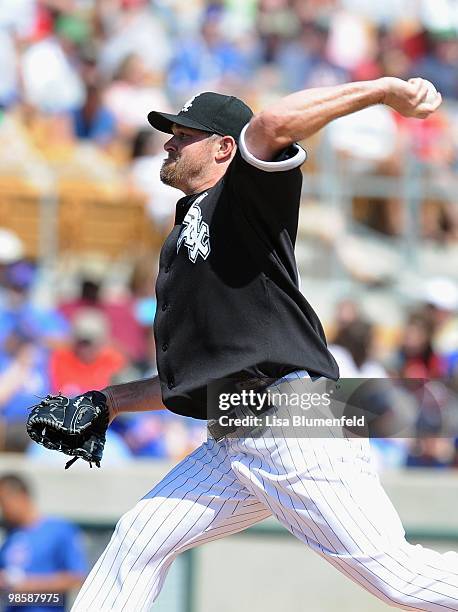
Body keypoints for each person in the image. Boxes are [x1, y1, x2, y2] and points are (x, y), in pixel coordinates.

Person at [45, 79, 458, 611]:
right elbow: (193, 380)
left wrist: (384, 91)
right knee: (137, 540)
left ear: (223, 147)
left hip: (291, 417)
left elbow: (270, 126)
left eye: (183, 134)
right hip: (237, 423)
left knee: (401, 581)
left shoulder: (244, 196)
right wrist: (110, 401)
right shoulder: (186, 230)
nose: (169, 142)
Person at [0, 474, 87, 612]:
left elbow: (76, 578)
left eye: (4, 504)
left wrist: (27, 587)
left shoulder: (60, 530)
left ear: (21, 497)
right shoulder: (10, 537)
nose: (3, 511)